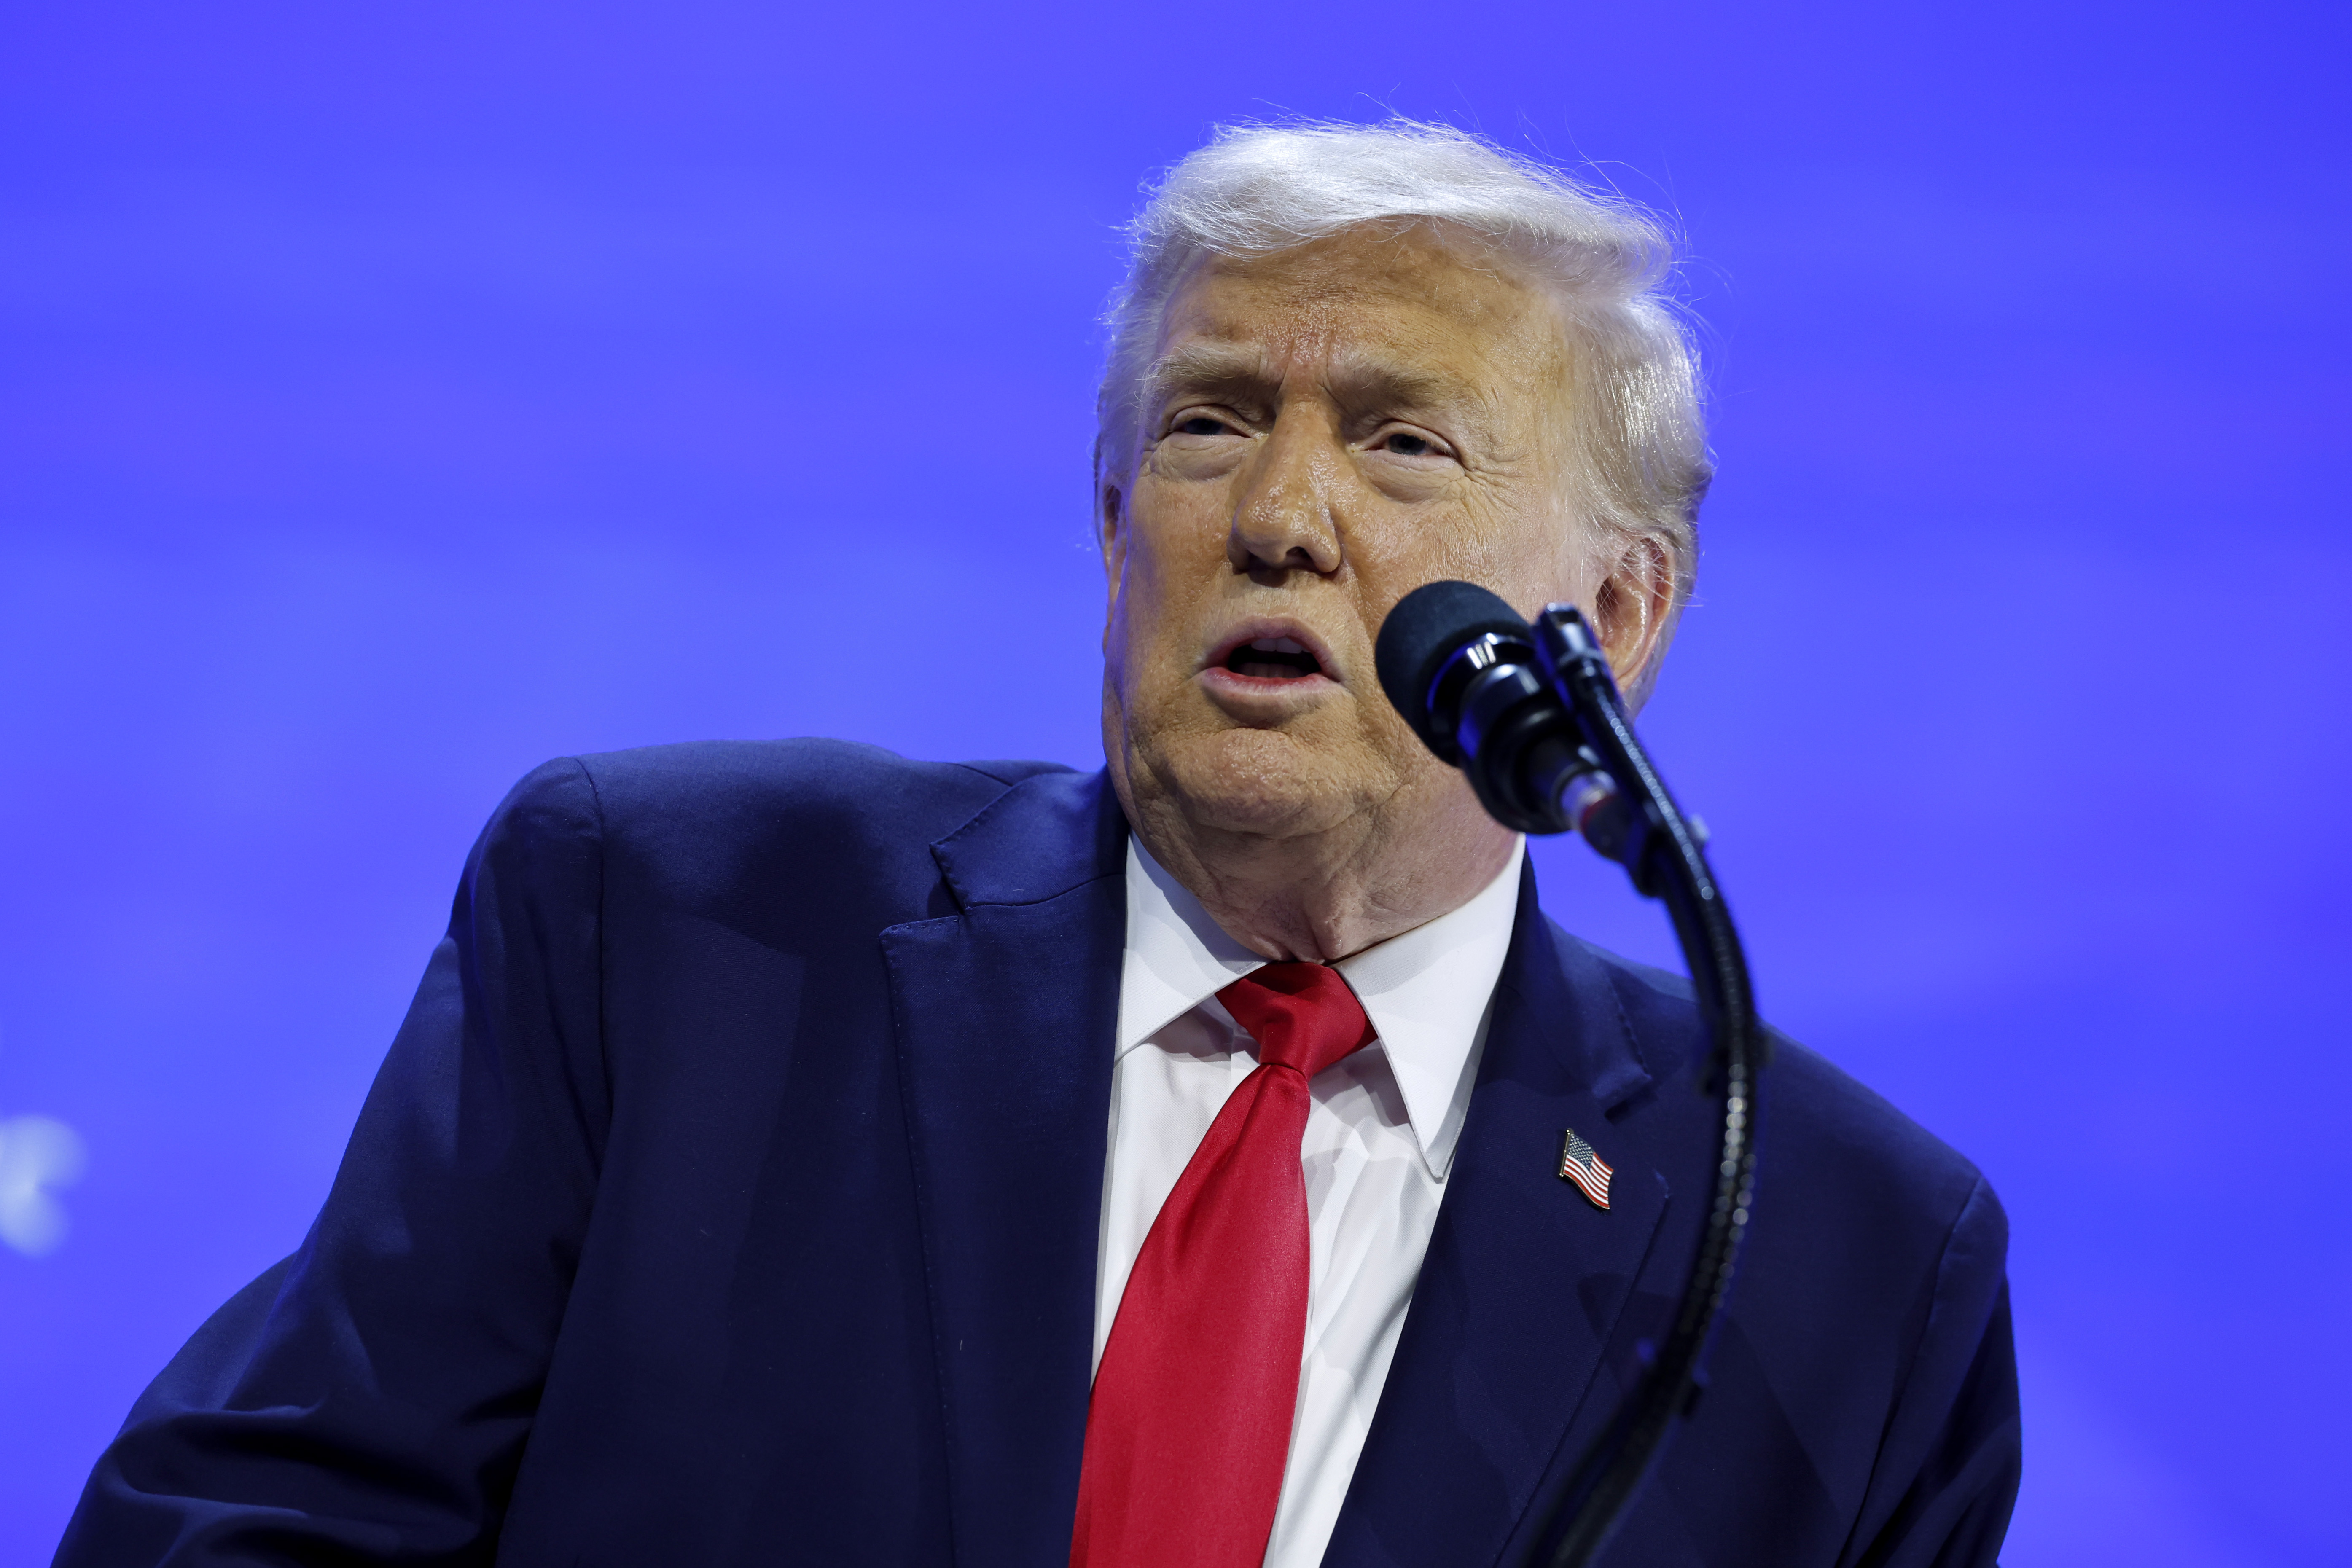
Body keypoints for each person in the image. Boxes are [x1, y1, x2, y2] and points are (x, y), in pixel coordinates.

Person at [56, 121, 2019, 1568]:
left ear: (1625, 609)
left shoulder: (1845, 1260)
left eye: (1404, 441)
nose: (1279, 516)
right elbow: (235, 1529)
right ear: (1108, 527)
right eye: (1206, 426)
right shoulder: (679, 930)